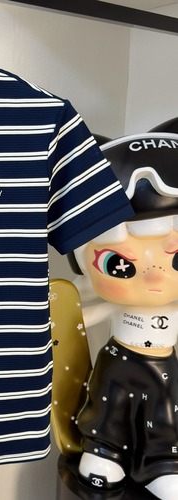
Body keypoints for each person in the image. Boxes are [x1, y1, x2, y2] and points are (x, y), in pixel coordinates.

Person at [67, 127, 178, 499]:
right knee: (108, 409)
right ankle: (104, 452)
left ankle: (163, 463)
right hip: (118, 362)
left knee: (165, 415)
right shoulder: (111, 303)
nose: (154, 276)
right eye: (121, 265)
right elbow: (80, 318)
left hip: (164, 366)